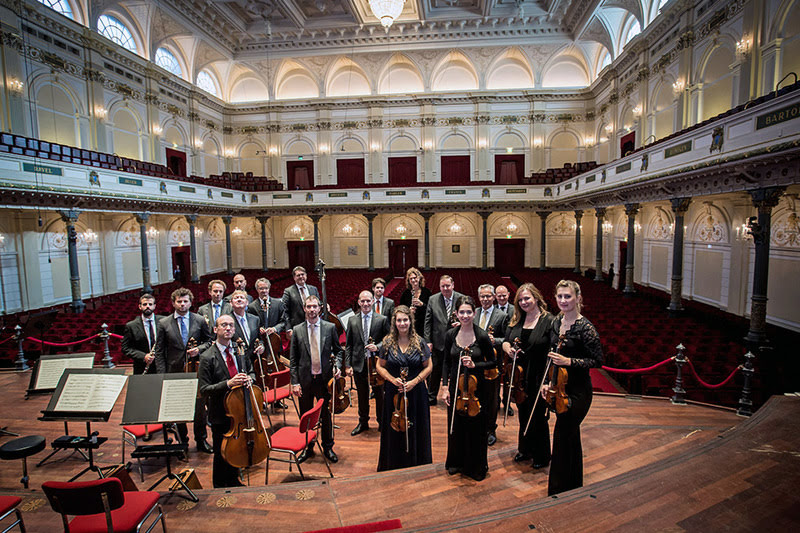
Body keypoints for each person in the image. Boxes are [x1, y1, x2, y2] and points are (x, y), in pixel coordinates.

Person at [543, 280, 603, 496]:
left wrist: (569, 362)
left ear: (578, 298)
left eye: (568, 296)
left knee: (562, 433)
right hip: (559, 386)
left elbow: (597, 361)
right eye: (560, 296)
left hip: (578, 391)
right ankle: (572, 484)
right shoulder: (556, 322)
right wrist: (547, 382)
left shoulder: (586, 328)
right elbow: (550, 355)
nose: (563, 301)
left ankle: (560, 488)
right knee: (568, 436)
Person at [501, 283, 556, 470]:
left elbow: (553, 350)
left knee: (538, 416)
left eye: (527, 298)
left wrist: (548, 381)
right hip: (519, 376)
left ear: (536, 298)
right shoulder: (517, 319)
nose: (524, 302)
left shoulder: (549, 321)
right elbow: (506, 341)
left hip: (539, 375)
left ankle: (542, 454)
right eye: (521, 300)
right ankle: (525, 449)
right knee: (523, 413)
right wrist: (508, 349)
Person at [441, 296, 495, 481]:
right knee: (456, 426)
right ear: (456, 313)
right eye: (461, 312)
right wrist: (445, 387)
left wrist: (475, 365)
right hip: (456, 388)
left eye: (468, 312)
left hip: (476, 390)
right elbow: (446, 363)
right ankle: (456, 462)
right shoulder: (450, 335)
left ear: (474, 313)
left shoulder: (482, 335)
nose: (465, 315)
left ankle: (475, 466)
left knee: (475, 427)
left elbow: (495, 363)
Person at [153, 287, 213, 453]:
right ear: (173, 303)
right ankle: (182, 442)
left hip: (196, 370)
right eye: (179, 301)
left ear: (190, 302)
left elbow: (209, 342)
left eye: (185, 301)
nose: (182, 304)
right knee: (179, 409)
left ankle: (201, 441)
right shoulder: (164, 323)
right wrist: (161, 375)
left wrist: (198, 349)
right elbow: (159, 351)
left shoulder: (200, 320)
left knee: (199, 410)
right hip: (175, 371)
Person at [198, 314, 255, 488]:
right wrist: (228, 384)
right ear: (216, 330)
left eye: (231, 325)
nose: (228, 328)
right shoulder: (207, 357)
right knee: (221, 451)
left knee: (236, 448)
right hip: (220, 412)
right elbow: (204, 390)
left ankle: (233, 480)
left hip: (240, 410)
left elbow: (251, 371)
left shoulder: (240, 351)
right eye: (224, 325)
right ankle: (220, 485)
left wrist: (250, 379)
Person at [376, 305, 433, 471]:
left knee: (416, 427)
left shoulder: (419, 342)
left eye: (405, 320)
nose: (402, 323)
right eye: (399, 320)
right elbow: (380, 366)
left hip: (416, 393)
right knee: (393, 429)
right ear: (394, 322)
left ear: (410, 321)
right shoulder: (387, 342)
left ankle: (417, 463)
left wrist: (415, 381)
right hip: (394, 392)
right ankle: (393, 463)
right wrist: (392, 380)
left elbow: (429, 366)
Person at [289, 295, 343, 464]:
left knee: (326, 415)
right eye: (308, 307)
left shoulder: (329, 328)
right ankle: (308, 447)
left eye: (314, 307)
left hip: (324, 380)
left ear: (320, 308)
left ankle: (328, 446)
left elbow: (339, 350)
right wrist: (295, 382)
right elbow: (293, 360)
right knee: (306, 416)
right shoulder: (297, 330)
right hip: (305, 380)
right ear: (304, 309)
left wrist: (338, 366)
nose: (312, 310)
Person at [345, 290, 390, 436]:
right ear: (358, 302)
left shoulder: (382, 319)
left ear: (372, 301)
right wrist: (348, 365)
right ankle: (363, 422)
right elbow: (349, 344)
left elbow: (388, 340)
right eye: (362, 301)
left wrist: (377, 346)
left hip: (376, 364)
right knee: (362, 395)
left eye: (368, 301)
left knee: (379, 395)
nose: (365, 304)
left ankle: (382, 423)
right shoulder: (352, 320)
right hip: (359, 363)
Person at [474, 284, 509, 446]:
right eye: (482, 296)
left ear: (494, 297)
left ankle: (490, 429)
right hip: (476, 363)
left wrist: (496, 341)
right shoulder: (474, 313)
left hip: (492, 364)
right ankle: (478, 427)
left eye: (488, 296)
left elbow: (506, 339)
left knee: (492, 399)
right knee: (478, 396)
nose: (485, 299)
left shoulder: (501, 315)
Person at [424, 275, 463, 405]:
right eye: (443, 286)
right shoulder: (432, 299)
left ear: (453, 285)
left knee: (455, 370)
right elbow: (428, 322)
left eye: (448, 285)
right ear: (439, 287)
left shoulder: (461, 298)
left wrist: (461, 325)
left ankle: (456, 395)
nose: (445, 288)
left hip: (456, 342)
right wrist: (428, 340)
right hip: (437, 342)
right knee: (435, 371)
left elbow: (468, 318)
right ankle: (431, 397)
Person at [121, 293, 163, 375]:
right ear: (140, 306)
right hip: (141, 367)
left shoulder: (164, 321)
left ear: (154, 306)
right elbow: (125, 348)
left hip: (161, 366)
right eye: (145, 304)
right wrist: (143, 356)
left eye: (150, 304)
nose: (148, 306)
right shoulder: (131, 326)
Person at [282, 266, 320, 331]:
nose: (301, 277)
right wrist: (288, 328)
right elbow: (284, 311)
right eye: (298, 275)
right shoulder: (288, 291)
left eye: (302, 274)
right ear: (294, 278)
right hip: (297, 326)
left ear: (306, 275)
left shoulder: (313, 289)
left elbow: (318, 303)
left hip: (313, 324)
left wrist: (324, 305)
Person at [398, 267, 430, 338]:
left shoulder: (426, 292)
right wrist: (409, 311)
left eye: (415, 277)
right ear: (408, 281)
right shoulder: (405, 293)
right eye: (410, 279)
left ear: (419, 278)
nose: (413, 280)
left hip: (423, 326)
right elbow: (400, 310)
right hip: (410, 326)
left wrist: (422, 304)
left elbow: (431, 310)